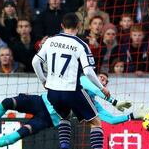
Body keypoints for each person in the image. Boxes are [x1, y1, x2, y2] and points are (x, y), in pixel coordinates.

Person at [0, 73, 146, 149]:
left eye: (105, 81)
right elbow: (87, 82)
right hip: (40, 101)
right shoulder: (81, 80)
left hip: (48, 120)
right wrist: (111, 98)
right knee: (8, 102)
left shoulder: (92, 106)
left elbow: (111, 120)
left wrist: (131, 115)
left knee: (18, 135)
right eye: (101, 78)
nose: (102, 81)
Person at [32, 13, 110, 149]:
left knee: (64, 116)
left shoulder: (50, 41)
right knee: (96, 122)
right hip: (72, 91)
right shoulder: (81, 45)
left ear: (62, 26)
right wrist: (101, 88)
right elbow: (88, 72)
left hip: (53, 91)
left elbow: (35, 62)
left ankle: (64, 146)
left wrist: (43, 80)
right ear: (79, 26)